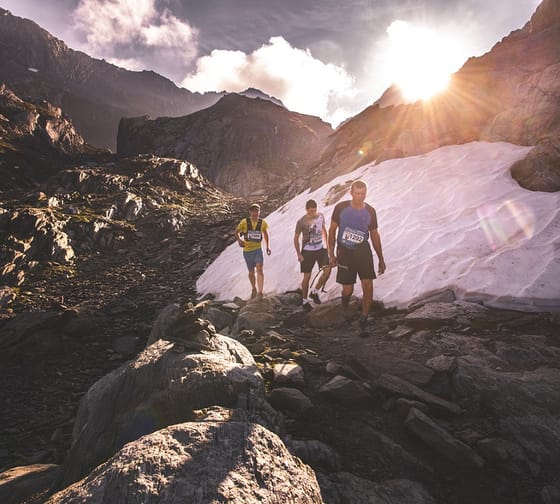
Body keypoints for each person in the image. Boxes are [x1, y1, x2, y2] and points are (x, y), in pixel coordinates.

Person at [328, 180, 386, 337]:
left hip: (363, 251)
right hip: (344, 252)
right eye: (357, 193)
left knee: (368, 285)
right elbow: (332, 231)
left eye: (363, 194)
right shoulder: (341, 208)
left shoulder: (370, 211)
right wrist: (331, 254)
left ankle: (364, 320)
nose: (360, 197)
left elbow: (374, 235)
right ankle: (345, 308)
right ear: (351, 193)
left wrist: (381, 258)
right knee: (348, 289)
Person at [293, 199, 332, 310]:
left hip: (320, 249)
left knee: (327, 271)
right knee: (307, 277)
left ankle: (314, 292)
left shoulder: (320, 216)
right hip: (307, 251)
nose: (313, 213)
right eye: (311, 211)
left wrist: (327, 247)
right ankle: (304, 301)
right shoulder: (301, 222)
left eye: (314, 210)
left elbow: (324, 231)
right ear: (306, 210)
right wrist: (299, 254)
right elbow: (295, 238)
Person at [235, 203, 271, 299]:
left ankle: (260, 292)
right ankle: (253, 288)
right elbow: (236, 232)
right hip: (247, 251)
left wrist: (267, 246)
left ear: (259, 212)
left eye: (257, 211)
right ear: (250, 212)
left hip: (258, 250)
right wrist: (239, 240)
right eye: (253, 211)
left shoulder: (262, 223)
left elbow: (266, 234)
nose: (255, 213)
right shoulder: (244, 222)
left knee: (259, 268)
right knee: (251, 272)